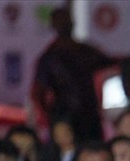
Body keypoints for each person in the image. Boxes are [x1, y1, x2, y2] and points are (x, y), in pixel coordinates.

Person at [30, 7, 115, 142]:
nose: (65, 25)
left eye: (66, 21)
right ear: (54, 26)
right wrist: (52, 116)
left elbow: (110, 62)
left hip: (89, 115)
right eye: (60, 22)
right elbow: (37, 92)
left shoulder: (85, 51)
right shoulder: (49, 57)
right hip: (66, 118)